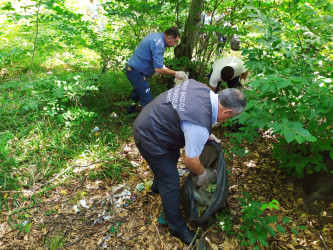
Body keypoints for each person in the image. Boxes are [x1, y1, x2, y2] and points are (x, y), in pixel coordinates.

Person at [133, 79, 246, 244]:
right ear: (227, 112)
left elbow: (187, 114)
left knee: (170, 160)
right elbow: (191, 161)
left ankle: (157, 186)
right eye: (231, 117)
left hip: (153, 122)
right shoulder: (198, 126)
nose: (228, 120)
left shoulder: (201, 88)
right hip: (150, 136)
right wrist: (203, 174)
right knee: (171, 183)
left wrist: (207, 132)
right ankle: (177, 228)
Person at [125, 27, 187, 114]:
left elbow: (158, 63)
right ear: (169, 38)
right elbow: (158, 69)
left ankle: (130, 111)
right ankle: (151, 123)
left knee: (138, 90)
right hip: (136, 72)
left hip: (133, 69)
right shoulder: (159, 44)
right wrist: (176, 73)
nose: (175, 44)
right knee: (148, 100)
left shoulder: (155, 36)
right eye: (175, 41)